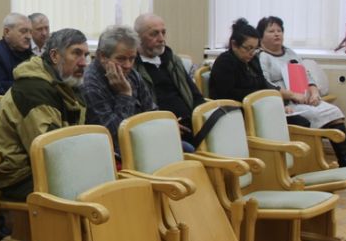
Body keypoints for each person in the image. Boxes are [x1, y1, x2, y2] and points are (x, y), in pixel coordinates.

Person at [0, 28, 89, 200]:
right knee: (90, 192)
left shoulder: (69, 85)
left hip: (51, 168)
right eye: (76, 54)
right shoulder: (33, 89)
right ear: (55, 56)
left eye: (86, 55)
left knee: (107, 184)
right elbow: (49, 152)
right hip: (20, 177)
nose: (83, 62)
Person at [257, 15, 346, 166]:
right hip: (284, 103)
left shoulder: (290, 53)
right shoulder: (261, 57)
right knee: (317, 115)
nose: (277, 34)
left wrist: (314, 93)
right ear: (261, 36)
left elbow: (307, 76)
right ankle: (314, 163)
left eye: (279, 30)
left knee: (335, 113)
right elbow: (266, 85)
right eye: (271, 31)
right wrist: (292, 94)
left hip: (304, 98)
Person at [209, 18, 311, 128]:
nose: (252, 53)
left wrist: (278, 105)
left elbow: (263, 84)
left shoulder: (252, 60)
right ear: (234, 45)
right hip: (235, 112)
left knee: (301, 121)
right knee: (297, 123)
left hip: (257, 107)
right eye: (248, 48)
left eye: (255, 49)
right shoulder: (225, 62)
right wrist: (266, 102)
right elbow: (229, 94)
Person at [133, 13, 204, 149]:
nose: (161, 39)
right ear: (137, 38)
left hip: (191, 124)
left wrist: (200, 119)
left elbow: (196, 96)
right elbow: (138, 109)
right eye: (154, 34)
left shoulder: (172, 60)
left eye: (163, 33)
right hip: (159, 131)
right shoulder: (133, 67)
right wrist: (166, 125)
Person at [81, 25, 156, 149]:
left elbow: (152, 112)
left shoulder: (132, 74)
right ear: (102, 56)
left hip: (143, 141)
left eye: (132, 59)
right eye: (121, 59)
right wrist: (125, 95)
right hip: (115, 153)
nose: (128, 65)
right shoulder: (89, 83)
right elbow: (113, 135)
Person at [0, 13, 34, 93]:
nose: (29, 36)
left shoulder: (30, 53)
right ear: (7, 32)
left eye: (30, 32)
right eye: (23, 31)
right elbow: (0, 86)